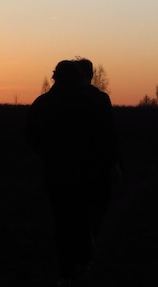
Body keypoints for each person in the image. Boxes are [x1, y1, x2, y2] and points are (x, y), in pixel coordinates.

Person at [24, 60, 113, 287]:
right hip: (84, 172)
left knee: (61, 222)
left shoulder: (43, 103)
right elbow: (102, 136)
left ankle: (66, 271)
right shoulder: (91, 102)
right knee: (81, 216)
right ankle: (83, 261)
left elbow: (31, 137)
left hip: (55, 173)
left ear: (55, 78)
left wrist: (47, 154)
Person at [72, 57, 122, 258]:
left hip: (71, 164)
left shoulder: (62, 99)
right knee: (98, 204)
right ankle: (90, 240)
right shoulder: (101, 99)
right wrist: (115, 163)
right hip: (98, 164)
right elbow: (110, 133)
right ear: (90, 75)